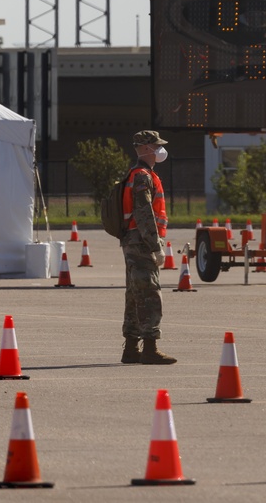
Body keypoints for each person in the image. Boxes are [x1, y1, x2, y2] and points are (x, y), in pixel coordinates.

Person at [120, 130, 176, 365]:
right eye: (156, 146)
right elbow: (144, 213)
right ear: (145, 149)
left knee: (135, 293)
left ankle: (131, 348)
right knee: (149, 293)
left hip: (133, 240)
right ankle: (150, 348)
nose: (159, 150)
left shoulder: (136, 174)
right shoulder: (142, 177)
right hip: (142, 242)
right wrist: (155, 246)